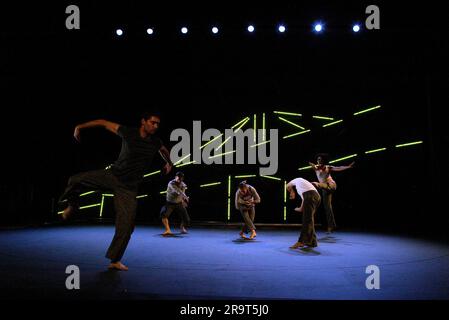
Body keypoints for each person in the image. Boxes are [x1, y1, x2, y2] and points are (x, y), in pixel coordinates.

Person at [59, 112, 173, 271]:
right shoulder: (128, 132)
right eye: (153, 123)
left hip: (128, 188)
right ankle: (72, 206)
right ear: (143, 121)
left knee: (126, 225)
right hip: (112, 175)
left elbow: (164, 150)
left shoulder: (155, 142)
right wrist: (79, 126)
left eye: (157, 124)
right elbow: (103, 122)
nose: (155, 126)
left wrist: (169, 163)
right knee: (74, 180)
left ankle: (114, 260)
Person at [309, 154, 354, 233]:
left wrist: (348, 167)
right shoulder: (316, 168)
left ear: (323, 161)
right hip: (324, 189)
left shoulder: (328, 167)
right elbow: (314, 166)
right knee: (328, 207)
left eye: (321, 159)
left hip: (331, 185)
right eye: (318, 159)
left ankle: (317, 184)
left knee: (316, 184)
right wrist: (313, 165)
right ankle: (331, 226)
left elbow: (338, 168)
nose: (319, 161)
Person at [286, 177, 321, 248]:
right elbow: (304, 200)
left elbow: (288, 186)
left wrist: (292, 192)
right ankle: (312, 242)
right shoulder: (303, 188)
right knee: (309, 220)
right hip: (316, 197)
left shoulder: (296, 181)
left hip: (310, 196)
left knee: (307, 220)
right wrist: (300, 209)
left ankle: (301, 241)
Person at [160, 171, 191, 236]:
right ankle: (168, 230)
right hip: (170, 203)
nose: (179, 180)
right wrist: (185, 197)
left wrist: (183, 201)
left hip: (179, 203)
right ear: (175, 177)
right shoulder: (171, 183)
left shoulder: (183, 185)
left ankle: (182, 228)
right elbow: (178, 192)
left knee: (186, 219)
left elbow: (181, 194)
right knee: (163, 214)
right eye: (178, 178)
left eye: (181, 178)